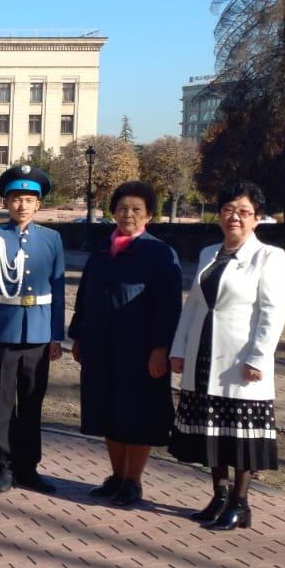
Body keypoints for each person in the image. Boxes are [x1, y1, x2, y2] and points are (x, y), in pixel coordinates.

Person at [168, 182, 285, 531]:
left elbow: (273, 313)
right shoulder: (209, 253)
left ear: (257, 218)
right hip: (203, 354)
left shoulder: (269, 257)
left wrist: (258, 358)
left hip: (240, 359)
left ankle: (240, 502)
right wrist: (179, 349)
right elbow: (193, 306)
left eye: (244, 212)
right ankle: (219, 496)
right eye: (228, 210)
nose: (234, 217)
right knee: (210, 430)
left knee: (239, 434)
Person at [68, 180, 183, 508]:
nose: (128, 214)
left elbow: (169, 307)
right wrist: (78, 335)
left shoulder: (160, 253)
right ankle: (116, 476)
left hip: (140, 351)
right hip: (100, 347)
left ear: (149, 215)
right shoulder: (102, 250)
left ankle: (133, 481)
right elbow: (85, 296)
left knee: (138, 414)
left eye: (136, 209)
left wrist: (160, 348)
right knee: (108, 411)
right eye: (122, 208)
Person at [0, 163, 68, 494]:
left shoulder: (52, 239)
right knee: (3, 402)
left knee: (32, 401)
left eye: (29, 200)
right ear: (5, 202)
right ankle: (4, 463)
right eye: (16, 199)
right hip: (4, 333)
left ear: (38, 204)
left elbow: (58, 290)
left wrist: (56, 336)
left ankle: (29, 466)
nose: (22, 205)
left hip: (39, 334)